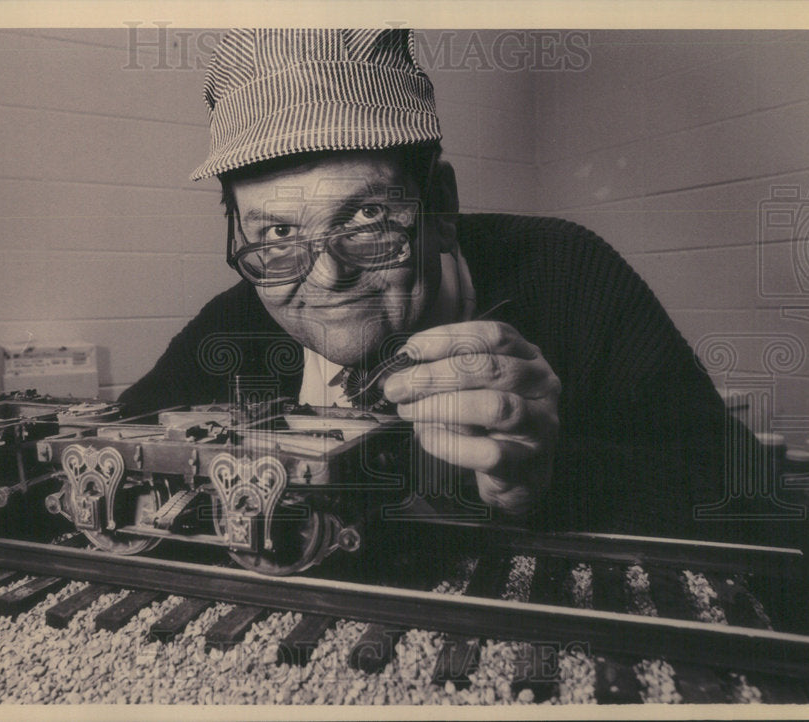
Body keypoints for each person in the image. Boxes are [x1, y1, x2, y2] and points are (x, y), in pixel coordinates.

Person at [119, 28, 771, 543]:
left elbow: (755, 501)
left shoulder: (569, 272)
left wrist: (550, 477)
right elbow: (95, 462)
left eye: (367, 216)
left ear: (442, 204)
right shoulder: (231, 322)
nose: (326, 277)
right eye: (276, 235)